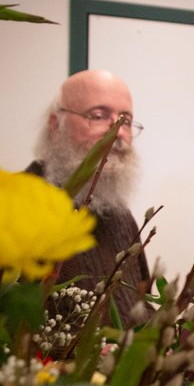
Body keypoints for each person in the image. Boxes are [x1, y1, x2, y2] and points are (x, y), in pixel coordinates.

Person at [28, 69, 151, 326]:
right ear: (55, 124)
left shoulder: (121, 216)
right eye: (98, 116)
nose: (117, 132)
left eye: (125, 120)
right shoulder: (17, 202)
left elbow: (142, 307)